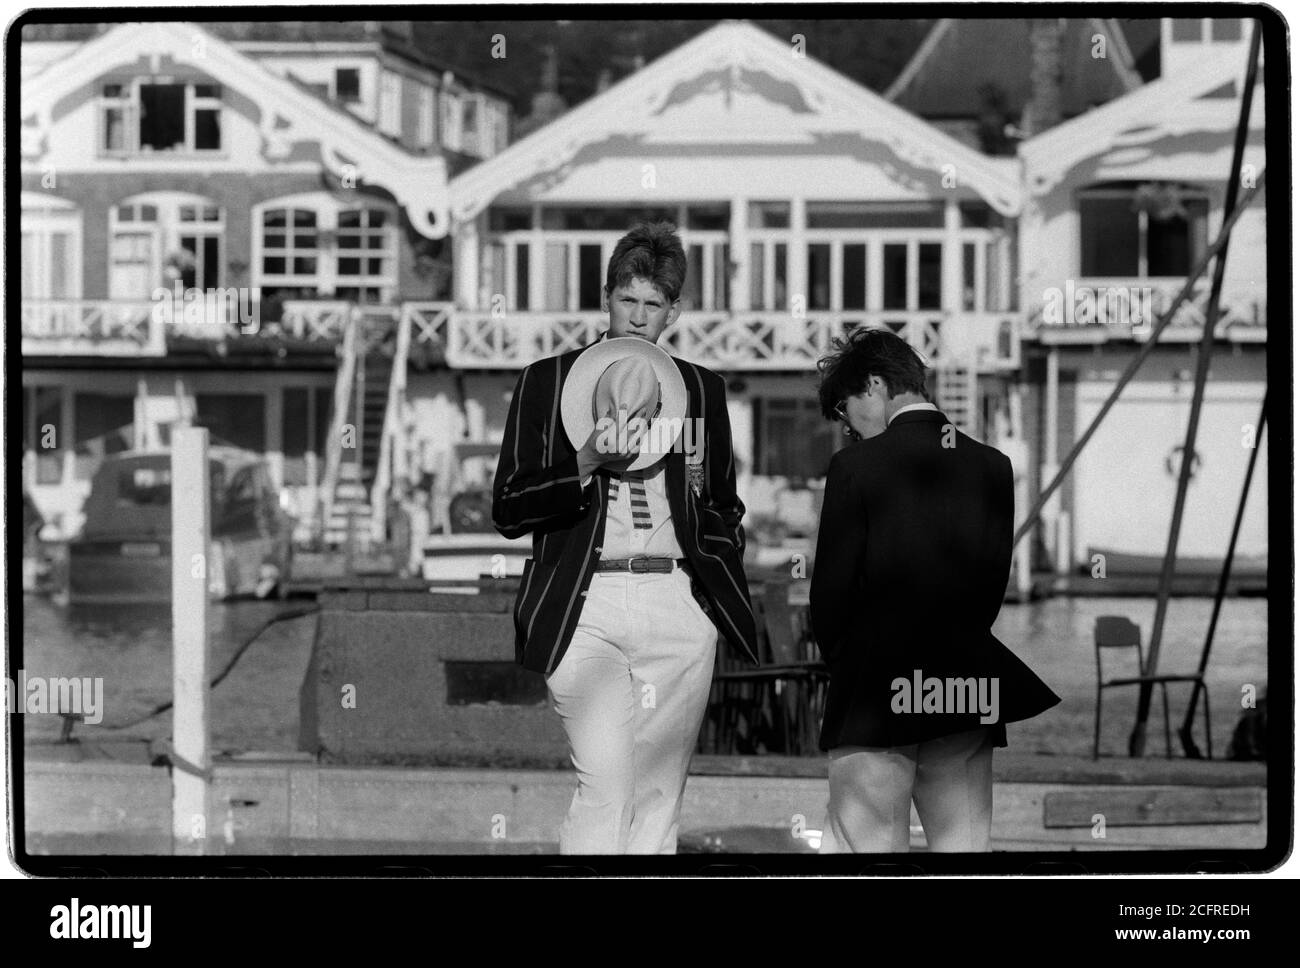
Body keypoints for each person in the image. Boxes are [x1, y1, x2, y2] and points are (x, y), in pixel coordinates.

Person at [492, 221, 759, 854]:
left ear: (674, 311)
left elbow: (725, 506)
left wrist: (708, 591)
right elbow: (507, 507)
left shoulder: (701, 391)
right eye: (627, 300)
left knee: (659, 796)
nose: (638, 318)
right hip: (584, 605)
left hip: (677, 603)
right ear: (606, 296)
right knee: (606, 785)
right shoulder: (545, 381)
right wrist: (582, 463)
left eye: (653, 305)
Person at [810, 328, 1059, 852]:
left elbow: (831, 598)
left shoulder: (854, 468)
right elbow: (992, 587)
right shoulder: (993, 467)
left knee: (868, 854)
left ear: (874, 385)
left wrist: (847, 666)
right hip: (967, 684)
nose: (848, 428)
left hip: (875, 690)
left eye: (844, 408)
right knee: (965, 851)